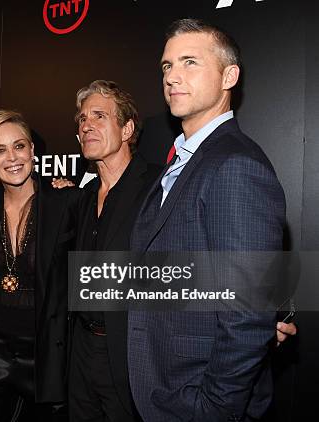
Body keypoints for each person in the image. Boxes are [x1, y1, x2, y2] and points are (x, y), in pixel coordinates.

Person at [129, 19, 286, 421]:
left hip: (196, 398)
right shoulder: (180, 160)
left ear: (228, 76)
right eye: (166, 66)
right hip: (161, 387)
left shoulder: (235, 164)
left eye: (190, 62)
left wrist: (213, 408)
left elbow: (247, 312)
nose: (172, 77)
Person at [0, 110, 78, 421]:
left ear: (33, 151)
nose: (12, 158)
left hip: (43, 355)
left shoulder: (64, 201)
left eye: (19, 146)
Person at [68, 80, 162, 422]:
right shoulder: (82, 197)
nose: (86, 125)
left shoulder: (158, 186)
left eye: (98, 116)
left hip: (130, 353)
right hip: (81, 349)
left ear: (127, 129)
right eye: (81, 119)